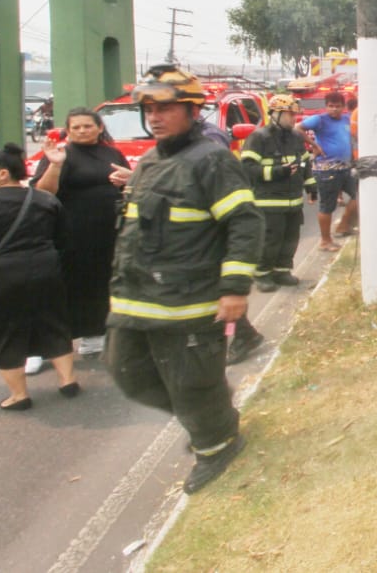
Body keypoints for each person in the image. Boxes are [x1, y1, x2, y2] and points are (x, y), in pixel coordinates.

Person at [107, 66, 262, 494]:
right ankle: (213, 413)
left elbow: (245, 224)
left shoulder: (211, 160)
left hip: (188, 302)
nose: (155, 117)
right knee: (127, 373)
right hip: (134, 299)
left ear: (192, 111)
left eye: (166, 108)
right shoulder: (152, 161)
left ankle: (217, 444)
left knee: (193, 382)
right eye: (149, 109)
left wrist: (233, 289)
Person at [0, 143, 76, 411]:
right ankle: (67, 380)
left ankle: (19, 395)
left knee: (6, 331)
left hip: (1, 275)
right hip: (45, 268)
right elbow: (64, 238)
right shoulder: (45, 199)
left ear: (3, 174)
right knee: (54, 322)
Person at [31, 108, 130, 357]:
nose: (82, 131)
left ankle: (97, 332)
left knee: (104, 281)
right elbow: (44, 192)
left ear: (99, 127)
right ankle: (53, 343)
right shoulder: (60, 154)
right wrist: (55, 165)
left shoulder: (112, 152)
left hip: (110, 231)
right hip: (73, 233)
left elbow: (129, 185)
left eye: (87, 126)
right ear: (68, 130)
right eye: (76, 127)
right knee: (73, 285)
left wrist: (128, 182)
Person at [240, 95, 312, 290]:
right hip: (268, 202)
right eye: (289, 115)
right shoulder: (258, 138)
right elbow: (247, 169)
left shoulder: (296, 137)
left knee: (290, 239)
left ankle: (282, 271)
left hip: (293, 201)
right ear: (275, 114)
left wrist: (310, 184)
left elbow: (305, 161)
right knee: (270, 240)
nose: (293, 119)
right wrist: (278, 172)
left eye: (295, 115)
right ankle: (262, 274)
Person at [297, 90, 358, 251]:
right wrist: (314, 145)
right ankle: (325, 241)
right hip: (326, 170)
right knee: (327, 206)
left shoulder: (346, 119)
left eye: (338, 106)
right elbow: (297, 128)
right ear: (326, 107)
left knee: (359, 195)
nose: (334, 109)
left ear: (343, 107)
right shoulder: (320, 120)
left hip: (345, 168)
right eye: (331, 106)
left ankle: (344, 225)